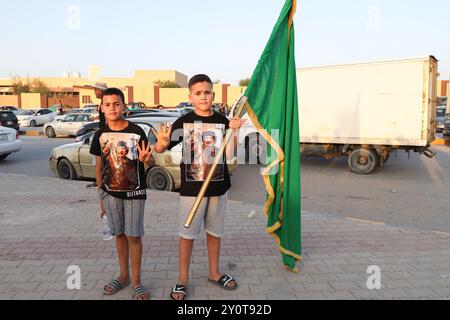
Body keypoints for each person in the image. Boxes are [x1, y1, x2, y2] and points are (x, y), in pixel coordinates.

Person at [152, 74, 245, 300]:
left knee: (215, 233)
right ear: (190, 96)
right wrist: (162, 143)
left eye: (207, 92)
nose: (203, 96)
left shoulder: (223, 120)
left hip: (219, 187)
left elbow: (231, 153)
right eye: (198, 93)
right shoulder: (183, 122)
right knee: (188, 235)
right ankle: (182, 280)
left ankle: (214, 273)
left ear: (212, 94)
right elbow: (160, 148)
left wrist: (235, 130)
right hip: (192, 191)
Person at [90, 88, 154, 300]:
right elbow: (98, 170)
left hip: (135, 193)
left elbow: (150, 161)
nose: (112, 108)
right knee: (119, 234)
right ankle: (123, 275)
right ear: (102, 108)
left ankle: (136, 281)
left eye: (116, 104)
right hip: (110, 194)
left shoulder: (137, 132)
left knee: (134, 236)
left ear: (124, 106)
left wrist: (147, 160)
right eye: (107, 104)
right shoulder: (99, 135)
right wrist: (101, 198)